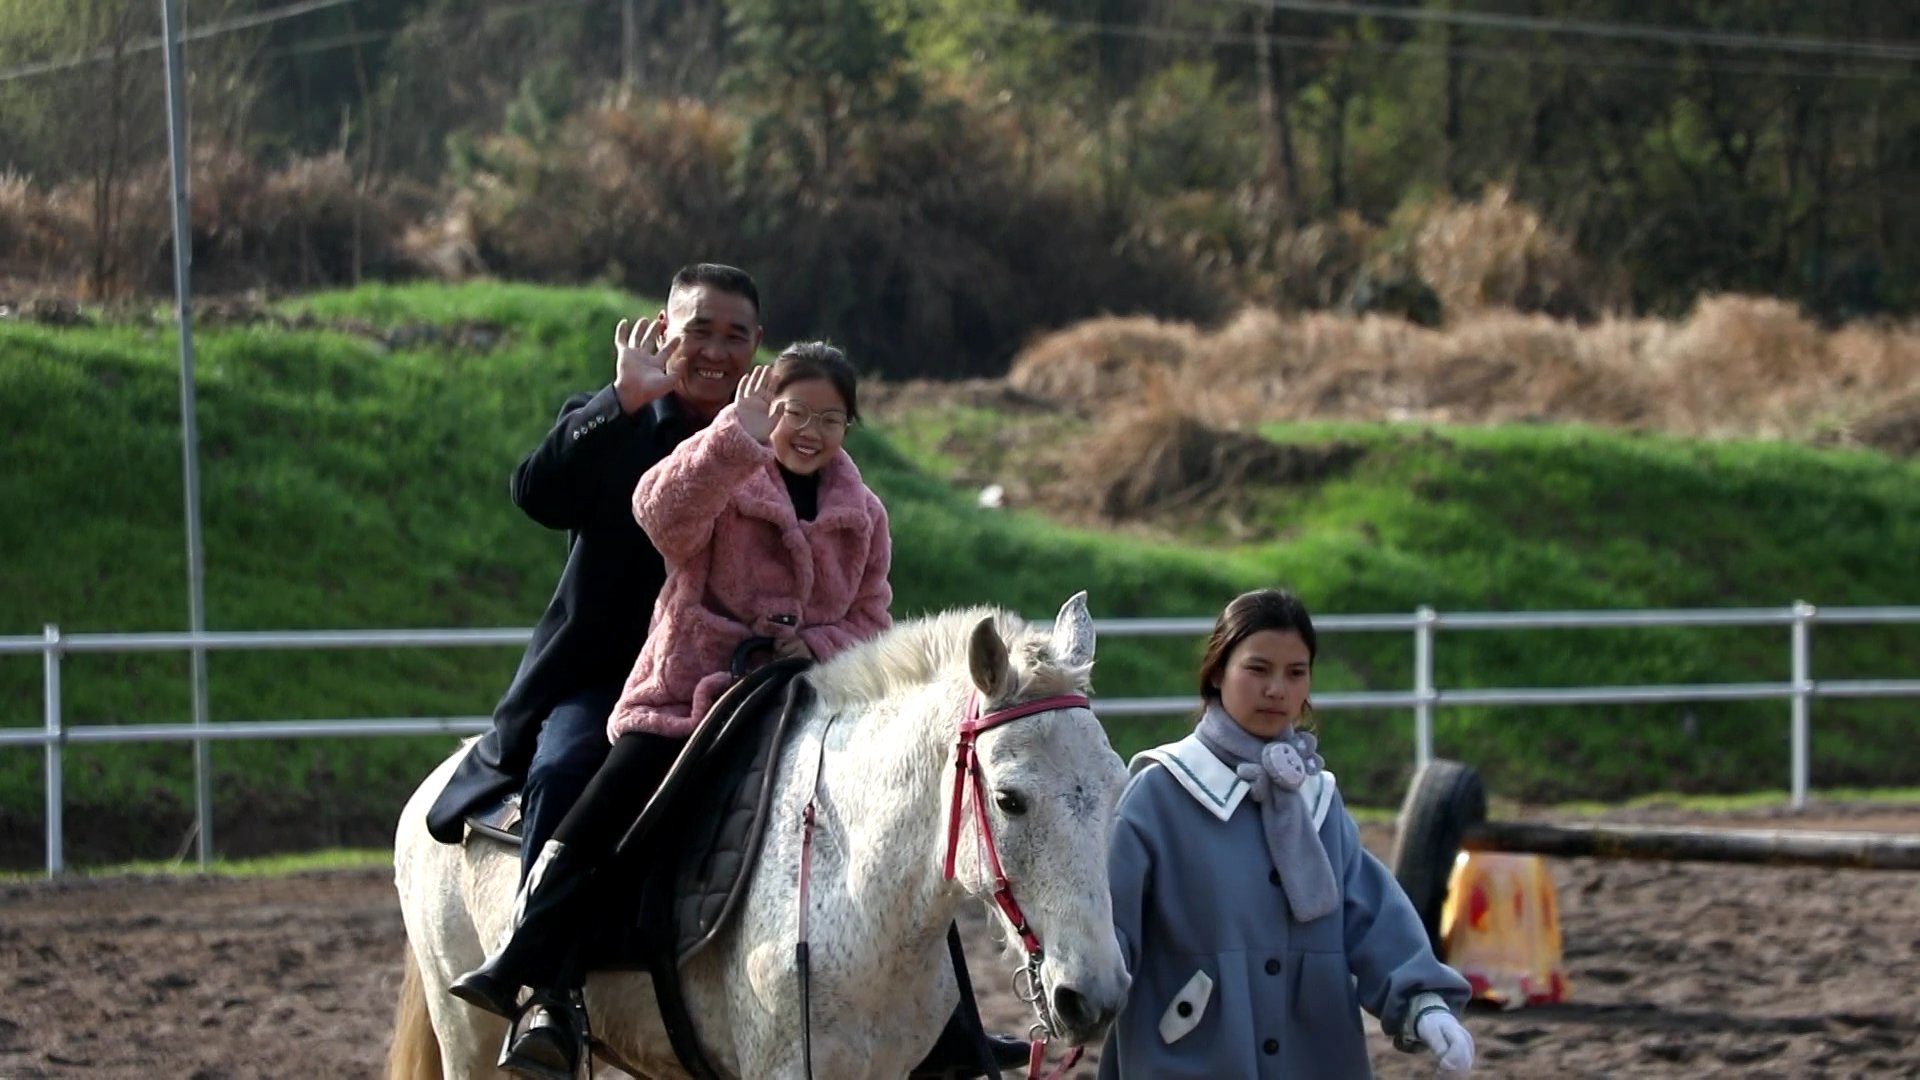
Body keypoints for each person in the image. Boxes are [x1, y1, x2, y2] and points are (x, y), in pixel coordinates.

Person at [453, 341, 1026, 1080]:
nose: (810, 432)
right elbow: (656, 515)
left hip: (812, 700)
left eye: (830, 417)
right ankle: (535, 968)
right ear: (766, 409)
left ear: (851, 425)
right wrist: (732, 434)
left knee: (905, 827)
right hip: (696, 688)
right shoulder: (725, 469)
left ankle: (959, 1033)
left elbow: (870, 618)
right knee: (611, 794)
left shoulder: (866, 515)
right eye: (794, 413)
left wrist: (807, 643)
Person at [427, 262, 764, 1074]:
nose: (716, 350)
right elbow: (536, 495)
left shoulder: (772, 435)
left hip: (731, 678)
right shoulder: (613, 419)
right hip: (606, 680)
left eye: (737, 335)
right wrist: (620, 401)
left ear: (758, 346)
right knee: (569, 763)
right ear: (662, 328)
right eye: (700, 330)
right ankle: (545, 988)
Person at [1101, 588, 1476, 1078]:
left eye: (1296, 673)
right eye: (1258, 669)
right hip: (1189, 1056)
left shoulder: (1317, 800)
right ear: (1217, 671)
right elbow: (1107, 930)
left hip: (1314, 1056)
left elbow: (1369, 912)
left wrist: (1424, 1002)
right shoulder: (1157, 794)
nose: (1277, 689)